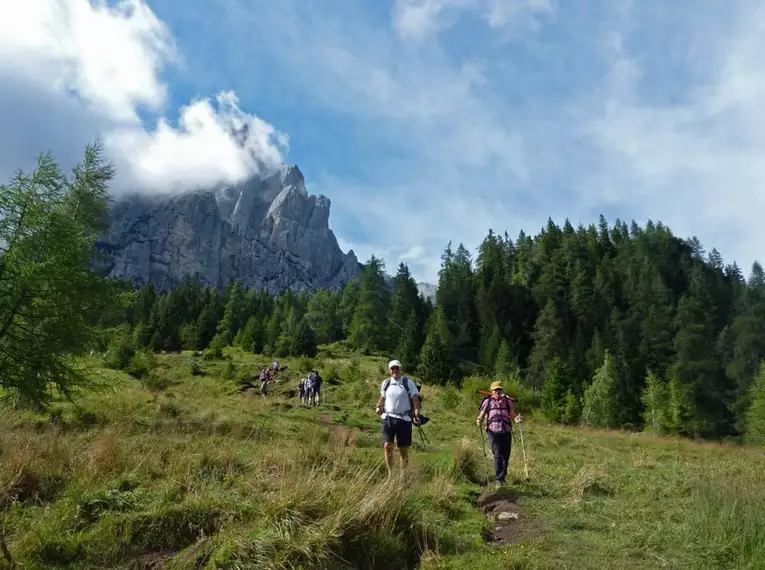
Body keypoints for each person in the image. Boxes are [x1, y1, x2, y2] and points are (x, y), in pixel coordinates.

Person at [375, 359, 421, 476]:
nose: (395, 370)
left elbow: (415, 399)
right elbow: (383, 396)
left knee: (403, 449)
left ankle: (402, 474)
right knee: (387, 446)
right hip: (388, 418)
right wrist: (379, 406)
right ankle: (391, 474)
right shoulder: (386, 383)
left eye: (397, 368)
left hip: (404, 419)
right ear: (389, 371)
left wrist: (416, 413)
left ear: (401, 369)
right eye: (392, 368)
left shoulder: (408, 382)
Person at [476, 381, 523, 487]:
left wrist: (517, 419)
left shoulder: (507, 402)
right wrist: (479, 420)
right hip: (493, 431)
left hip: (506, 431)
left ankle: (502, 477)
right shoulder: (487, 402)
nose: (497, 391)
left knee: (506, 455)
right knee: (498, 454)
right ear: (491, 391)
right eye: (495, 390)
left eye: (499, 390)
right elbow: (482, 415)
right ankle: (498, 479)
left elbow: (513, 416)